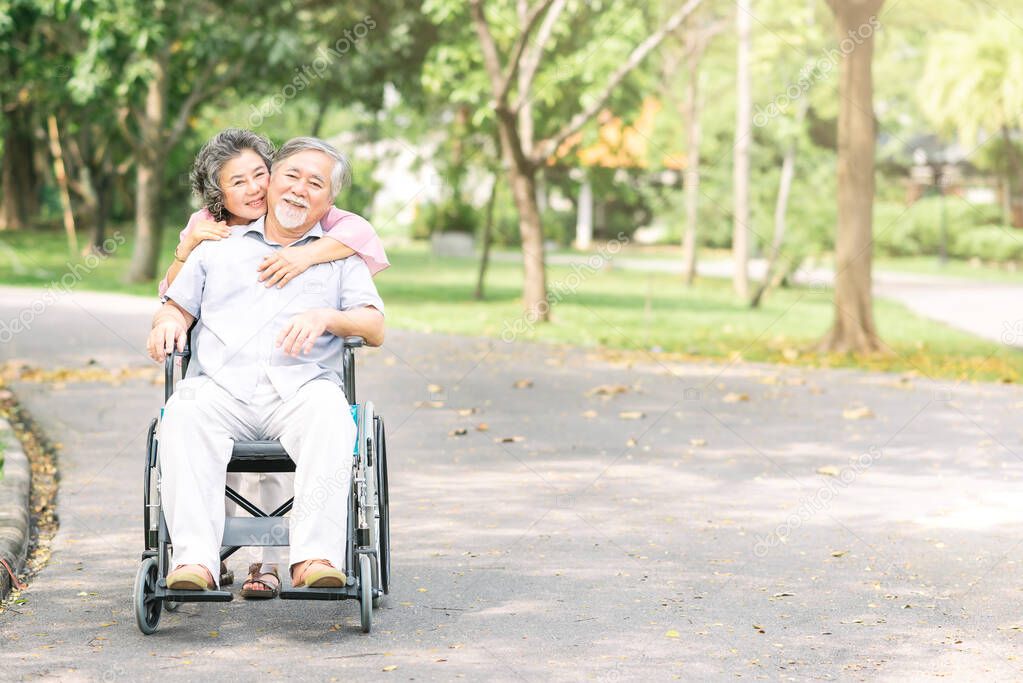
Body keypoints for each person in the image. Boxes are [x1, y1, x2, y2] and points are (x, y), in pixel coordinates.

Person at [146, 137, 385, 592]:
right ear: (272, 182)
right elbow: (175, 304)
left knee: (332, 414)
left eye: (315, 184)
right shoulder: (215, 243)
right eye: (291, 176)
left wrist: (327, 317)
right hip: (220, 390)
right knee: (182, 413)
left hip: (300, 391)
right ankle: (195, 562)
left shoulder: (339, 255)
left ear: (329, 201)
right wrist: (165, 321)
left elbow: (374, 327)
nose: (300, 189)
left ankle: (313, 558)